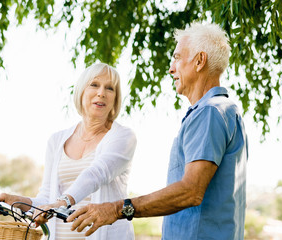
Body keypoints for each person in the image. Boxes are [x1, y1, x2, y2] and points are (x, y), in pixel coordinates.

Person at [67, 22, 249, 240]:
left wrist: (117, 209)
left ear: (200, 61)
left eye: (177, 57)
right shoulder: (221, 111)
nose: (171, 68)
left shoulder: (209, 113)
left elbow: (190, 191)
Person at [0, 63, 137, 240]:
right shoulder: (57, 141)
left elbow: (98, 173)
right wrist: (17, 201)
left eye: (110, 88)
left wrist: (62, 202)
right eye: (94, 85)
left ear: (115, 98)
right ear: (81, 91)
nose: (101, 93)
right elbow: (47, 198)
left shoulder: (122, 136)